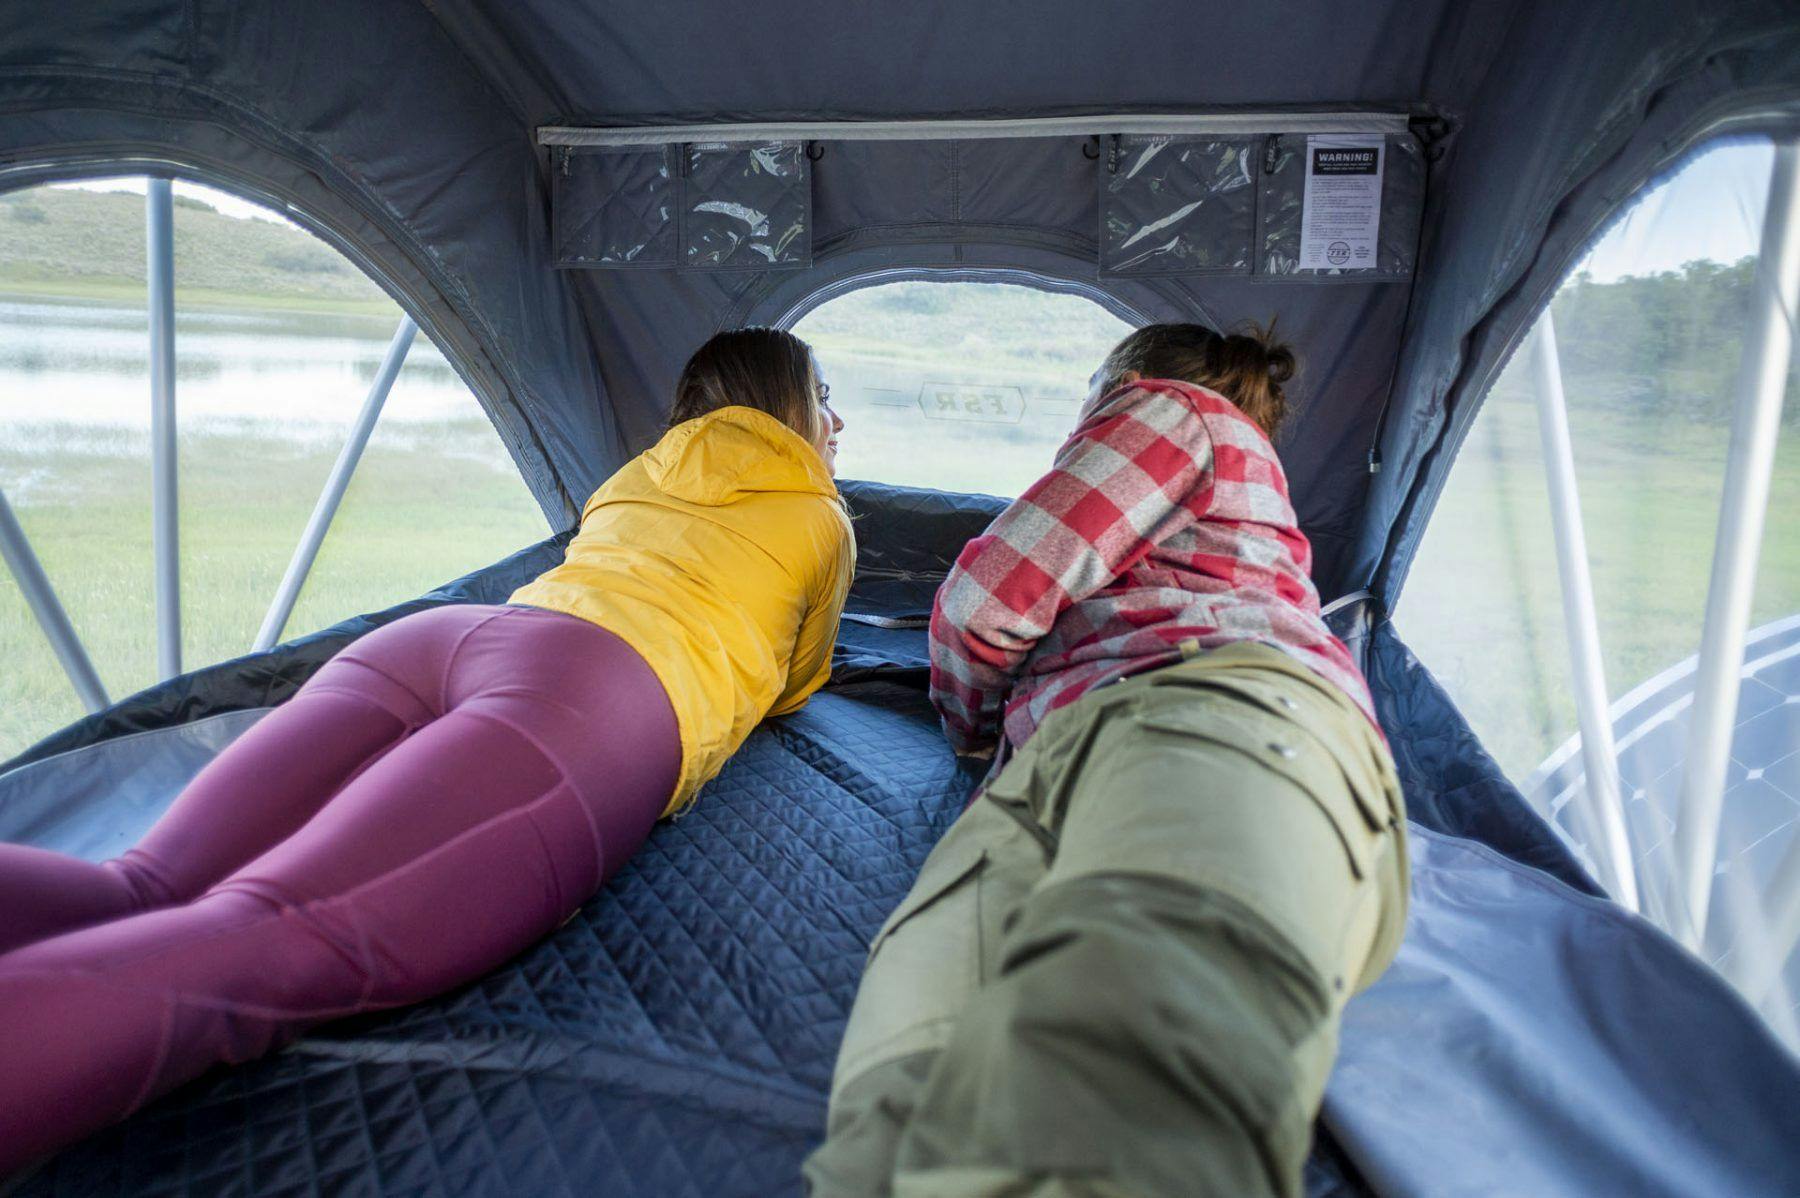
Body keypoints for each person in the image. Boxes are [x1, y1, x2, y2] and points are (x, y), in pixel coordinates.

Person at [0, 327, 853, 1170]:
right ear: (786, 406)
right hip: (591, 697)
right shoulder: (823, 517)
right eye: (822, 400)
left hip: (453, 636)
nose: (836, 425)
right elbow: (795, 686)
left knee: (144, 886)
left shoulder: (634, 476)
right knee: (269, 941)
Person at [805, 323, 1408, 1198]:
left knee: (1106, 1084)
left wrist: (968, 729)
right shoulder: (1212, 478)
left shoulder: (1174, 413)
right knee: (900, 1114)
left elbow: (984, 599)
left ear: (1120, 383)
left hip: (1215, 705)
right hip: (1079, 751)